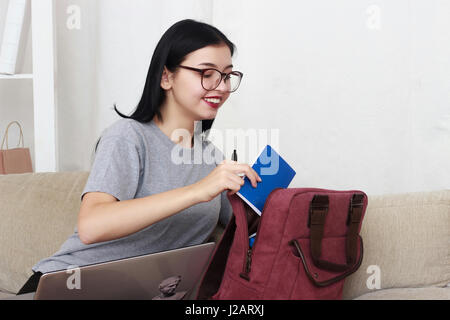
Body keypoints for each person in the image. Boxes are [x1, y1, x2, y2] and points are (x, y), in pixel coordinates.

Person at [16, 18, 261, 295]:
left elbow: (246, 231)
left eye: (227, 75)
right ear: (166, 77)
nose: (221, 86)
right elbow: (91, 225)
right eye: (206, 73)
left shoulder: (213, 158)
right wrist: (197, 191)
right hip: (68, 286)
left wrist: (262, 200)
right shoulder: (128, 137)